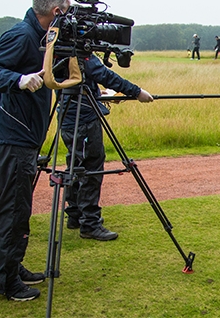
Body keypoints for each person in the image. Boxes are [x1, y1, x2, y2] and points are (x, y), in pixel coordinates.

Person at [0, 0, 73, 301]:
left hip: (24, 136)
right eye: (67, 11)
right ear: (56, 11)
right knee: (13, 210)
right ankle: (5, 281)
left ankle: (12, 268)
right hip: (11, 136)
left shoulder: (46, 38)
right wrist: (17, 80)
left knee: (19, 208)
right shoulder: (22, 35)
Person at [59, 53, 153, 241]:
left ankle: (75, 215)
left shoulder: (58, 51)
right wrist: (136, 91)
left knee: (76, 164)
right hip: (83, 119)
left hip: (68, 117)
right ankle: (90, 224)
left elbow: (77, 81)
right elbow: (103, 74)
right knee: (91, 168)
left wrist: (96, 93)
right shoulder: (78, 52)